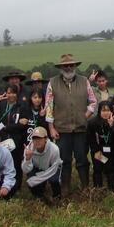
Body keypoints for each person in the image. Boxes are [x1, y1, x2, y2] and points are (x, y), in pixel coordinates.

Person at [45, 54, 97, 194]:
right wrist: (51, 128)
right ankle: (65, 187)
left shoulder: (84, 81)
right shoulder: (52, 83)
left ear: (75, 66)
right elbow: (49, 106)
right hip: (61, 130)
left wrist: (85, 116)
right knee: (64, 160)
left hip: (80, 128)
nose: (68, 68)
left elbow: (93, 101)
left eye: (71, 65)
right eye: (65, 66)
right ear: (61, 67)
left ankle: (85, 187)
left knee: (82, 159)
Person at [21, 126, 63, 203]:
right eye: (35, 139)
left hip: (52, 168)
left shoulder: (54, 149)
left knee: (54, 181)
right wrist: (27, 159)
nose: (37, 141)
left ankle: (57, 198)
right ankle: (40, 198)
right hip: (37, 167)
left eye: (40, 138)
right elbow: (25, 170)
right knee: (32, 183)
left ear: (46, 139)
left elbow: (54, 169)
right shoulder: (28, 149)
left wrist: (37, 179)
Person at [87, 101, 114, 190]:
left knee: (110, 168)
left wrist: (111, 126)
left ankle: (112, 189)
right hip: (98, 149)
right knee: (97, 168)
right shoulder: (92, 123)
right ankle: (98, 189)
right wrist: (96, 150)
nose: (106, 113)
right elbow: (90, 138)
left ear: (111, 111)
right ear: (99, 111)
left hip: (111, 149)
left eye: (108, 110)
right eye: (103, 110)